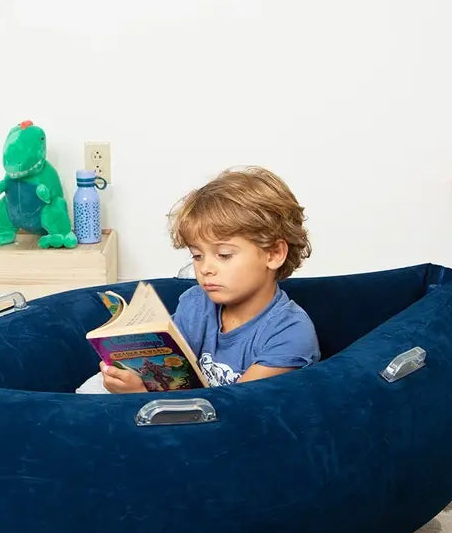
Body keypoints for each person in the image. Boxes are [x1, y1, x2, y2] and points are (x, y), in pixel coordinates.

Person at [78, 166, 319, 394]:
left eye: (224, 255)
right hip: (176, 411)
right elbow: (170, 371)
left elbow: (236, 410)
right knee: (95, 385)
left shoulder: (289, 331)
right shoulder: (196, 303)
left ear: (274, 253)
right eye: (197, 255)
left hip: (233, 428)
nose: (205, 269)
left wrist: (140, 394)